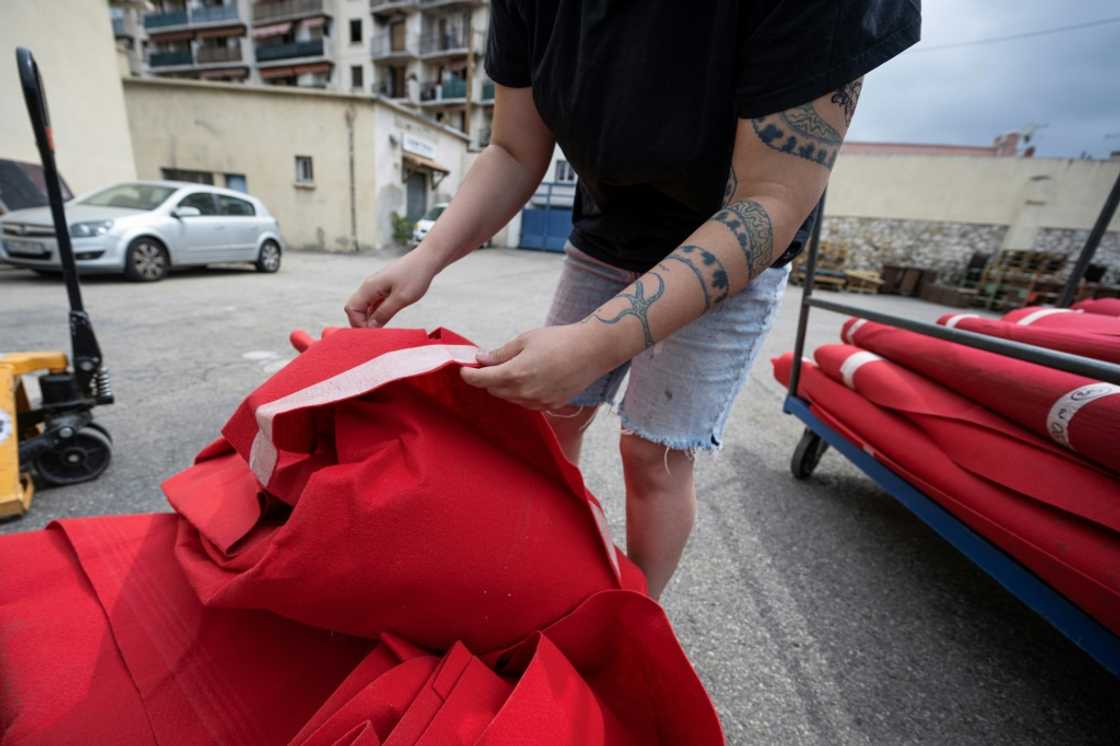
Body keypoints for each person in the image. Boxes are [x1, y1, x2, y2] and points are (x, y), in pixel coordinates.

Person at [346, 1, 921, 598]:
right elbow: (514, 150)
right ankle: (539, 569)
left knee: (653, 454)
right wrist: (425, 258)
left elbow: (771, 198)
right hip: (608, 228)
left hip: (732, 240)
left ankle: (633, 620)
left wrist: (594, 344)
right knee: (551, 420)